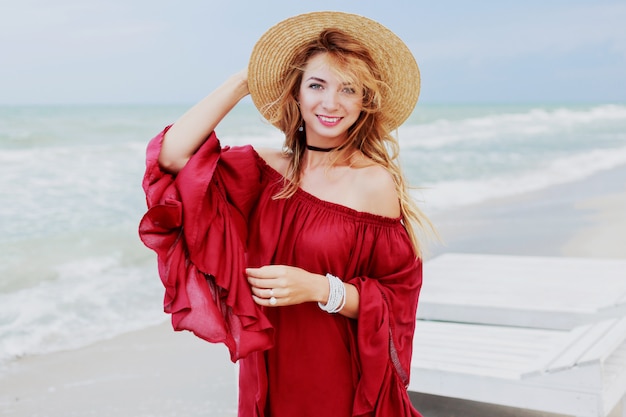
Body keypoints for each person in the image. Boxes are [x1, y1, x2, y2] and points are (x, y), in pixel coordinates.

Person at [139, 11, 435, 417]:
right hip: (266, 366)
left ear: (365, 101)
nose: (331, 103)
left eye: (348, 89)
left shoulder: (373, 183)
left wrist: (318, 288)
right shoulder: (261, 172)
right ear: (296, 93)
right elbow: (172, 157)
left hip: (335, 374)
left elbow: (397, 297)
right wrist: (242, 83)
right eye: (317, 85)